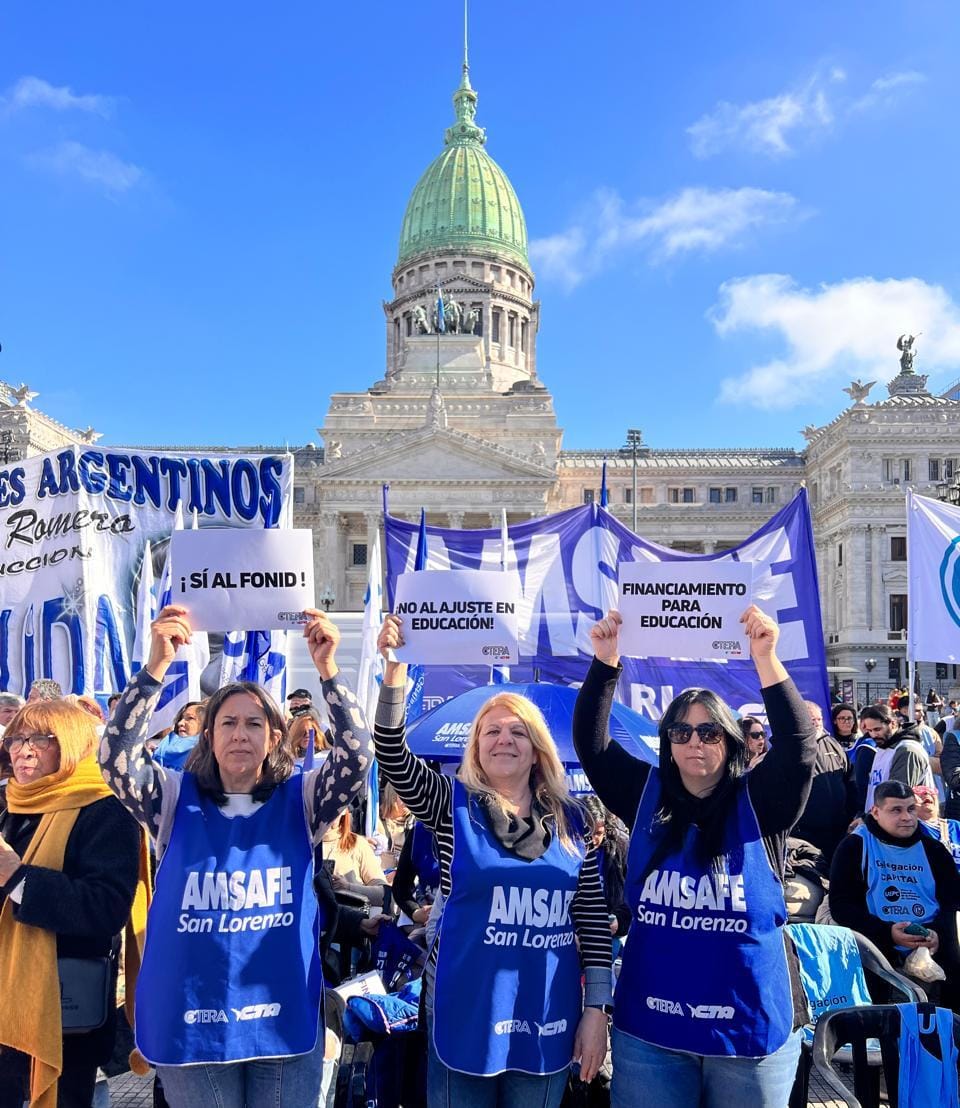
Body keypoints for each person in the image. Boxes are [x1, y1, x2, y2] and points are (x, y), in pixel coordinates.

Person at [100, 604, 373, 1108]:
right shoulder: (173, 798)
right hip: (192, 1016)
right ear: (209, 736)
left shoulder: (303, 800)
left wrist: (329, 670)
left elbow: (357, 756)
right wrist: (156, 666)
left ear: (274, 737)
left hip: (280, 1009)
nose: (241, 734)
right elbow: (114, 757)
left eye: (254, 723)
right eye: (228, 723)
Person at [573, 605, 815, 1108]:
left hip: (746, 1034)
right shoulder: (647, 796)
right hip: (652, 1033)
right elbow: (593, 748)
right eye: (680, 732)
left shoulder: (761, 801)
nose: (694, 742)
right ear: (667, 744)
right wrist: (606, 663)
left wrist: (766, 659)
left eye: (708, 732)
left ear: (729, 741)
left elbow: (797, 747)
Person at [375, 614, 611, 1107]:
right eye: (492, 731)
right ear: (476, 748)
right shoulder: (449, 805)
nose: (504, 739)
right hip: (463, 1011)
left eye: (518, 732)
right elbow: (392, 753)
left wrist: (596, 1010)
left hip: (546, 1012)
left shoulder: (573, 819)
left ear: (537, 748)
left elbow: (589, 919)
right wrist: (395, 672)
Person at [0, 698, 145, 1108]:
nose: (23, 750)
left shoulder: (104, 808)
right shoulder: (7, 801)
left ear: (73, 744)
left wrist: (19, 877)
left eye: (41, 739)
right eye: (16, 738)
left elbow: (106, 907)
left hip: (61, 1012)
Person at [829, 780, 960, 1006]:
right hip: (875, 951)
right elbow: (841, 906)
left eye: (911, 809)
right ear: (876, 812)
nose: (907, 817)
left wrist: (938, 934)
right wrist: (887, 932)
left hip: (931, 952)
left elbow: (951, 903)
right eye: (896, 810)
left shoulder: (934, 850)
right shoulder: (855, 846)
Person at [790, 700, 859, 864]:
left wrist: (851, 814)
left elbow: (849, 780)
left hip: (837, 830)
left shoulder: (833, 744)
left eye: (818, 719)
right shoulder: (790, 746)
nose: (816, 724)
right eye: (811, 719)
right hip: (805, 834)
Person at [856, 704, 935, 810]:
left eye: (877, 729)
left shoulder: (907, 750)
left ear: (892, 724)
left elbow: (898, 796)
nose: (873, 735)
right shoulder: (883, 747)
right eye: (870, 731)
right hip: (881, 819)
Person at [321, 809, 388, 904]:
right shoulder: (302, 848)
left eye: (335, 806)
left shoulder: (357, 844)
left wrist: (348, 887)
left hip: (353, 915)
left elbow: (383, 893)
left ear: (345, 810)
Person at [914, 784, 960, 871]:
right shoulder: (910, 828)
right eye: (918, 791)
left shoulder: (955, 826)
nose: (927, 793)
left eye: (932, 791)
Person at [151, 701, 204, 771]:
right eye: (181, 718)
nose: (180, 723)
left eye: (190, 718)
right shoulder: (154, 749)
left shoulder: (206, 761)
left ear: (204, 724)